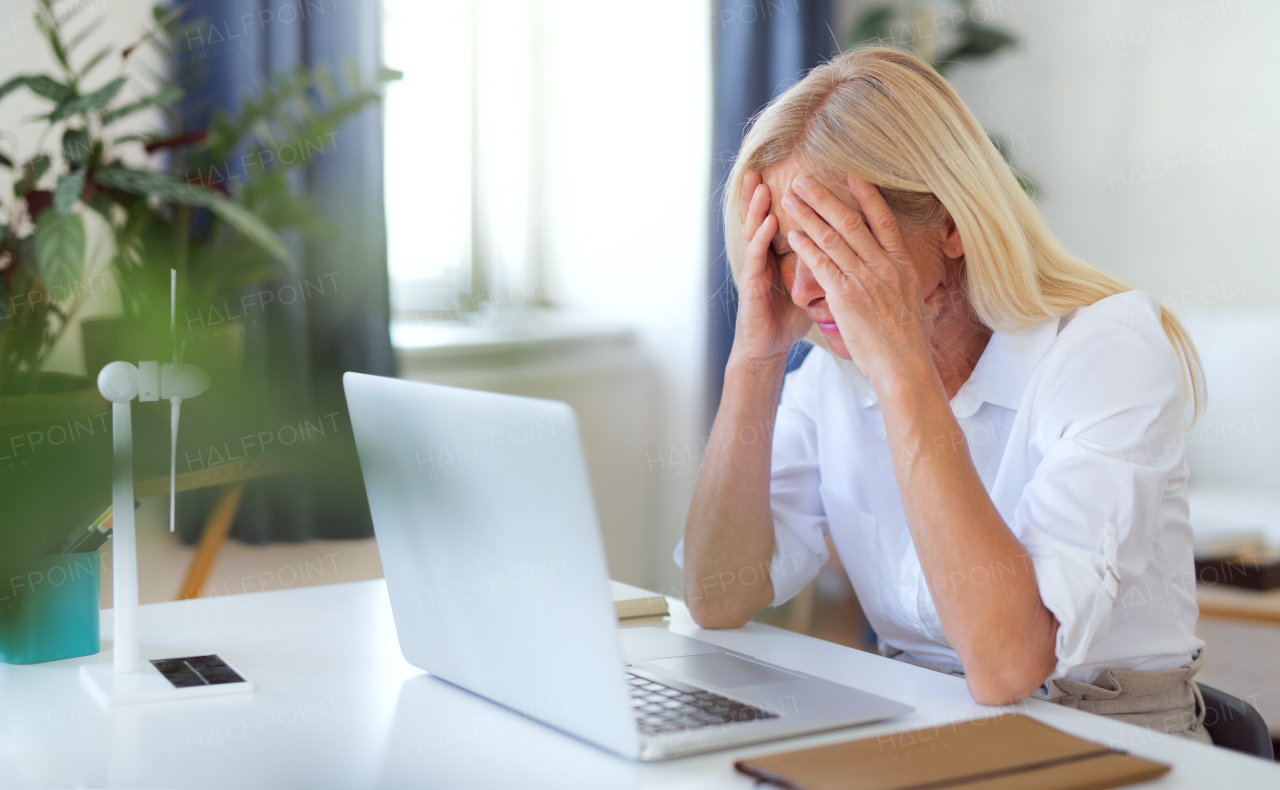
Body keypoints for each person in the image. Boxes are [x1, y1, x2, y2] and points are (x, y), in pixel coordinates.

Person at [675, 46, 1210, 742]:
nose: (805, 287)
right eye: (783, 250)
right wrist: (755, 358)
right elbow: (718, 597)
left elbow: (1005, 665)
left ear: (952, 224)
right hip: (920, 726)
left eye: (837, 242)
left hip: (1105, 736)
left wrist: (903, 375)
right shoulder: (828, 379)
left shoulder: (1107, 348)